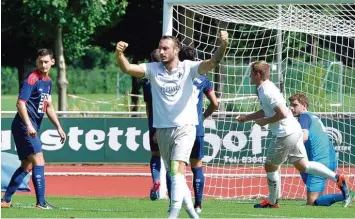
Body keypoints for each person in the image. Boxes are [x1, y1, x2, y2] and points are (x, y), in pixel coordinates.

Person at [115, 31, 228, 218]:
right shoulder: (153, 69)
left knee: (177, 168)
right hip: (163, 129)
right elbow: (128, 68)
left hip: (186, 127)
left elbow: (212, 62)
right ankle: (192, 213)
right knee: (175, 174)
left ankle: (173, 214)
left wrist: (223, 45)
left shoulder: (188, 68)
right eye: (160, 47)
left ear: (176, 50)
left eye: (165, 48)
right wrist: (119, 55)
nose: (161, 51)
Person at [236, 61, 351, 208]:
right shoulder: (264, 88)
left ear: (258, 74)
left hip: (285, 133)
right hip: (293, 130)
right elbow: (268, 110)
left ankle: (272, 201)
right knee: (303, 165)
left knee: (270, 166)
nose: (249, 77)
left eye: (251, 74)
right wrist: (247, 118)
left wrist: (265, 121)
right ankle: (338, 178)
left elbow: (282, 113)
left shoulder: (267, 91)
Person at [1, 49, 66, 209]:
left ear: (52, 62)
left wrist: (58, 126)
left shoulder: (48, 82)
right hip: (24, 125)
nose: (43, 65)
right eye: (40, 62)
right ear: (37, 62)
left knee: (27, 165)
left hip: (27, 126)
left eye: (46, 62)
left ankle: (5, 200)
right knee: (39, 159)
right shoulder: (32, 79)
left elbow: (48, 106)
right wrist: (29, 125)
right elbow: (20, 103)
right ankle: (41, 203)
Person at [289, 93, 355, 206]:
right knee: (303, 169)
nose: (292, 108)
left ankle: (347, 194)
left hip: (319, 162)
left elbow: (304, 137)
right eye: (290, 105)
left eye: (295, 105)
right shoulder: (313, 116)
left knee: (312, 204)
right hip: (330, 160)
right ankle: (345, 192)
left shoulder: (303, 117)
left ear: (304, 105)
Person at [179, 45, 219, 213]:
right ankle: (198, 204)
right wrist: (203, 117)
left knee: (177, 166)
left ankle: (176, 202)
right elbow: (215, 104)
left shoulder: (176, 76)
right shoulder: (203, 78)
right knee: (197, 166)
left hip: (180, 126)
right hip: (197, 127)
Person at [142, 49, 169, 200]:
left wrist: (150, 122)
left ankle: (156, 180)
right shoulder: (169, 78)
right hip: (168, 122)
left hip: (154, 121)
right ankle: (173, 194)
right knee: (171, 160)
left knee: (155, 155)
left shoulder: (147, 81)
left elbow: (147, 106)